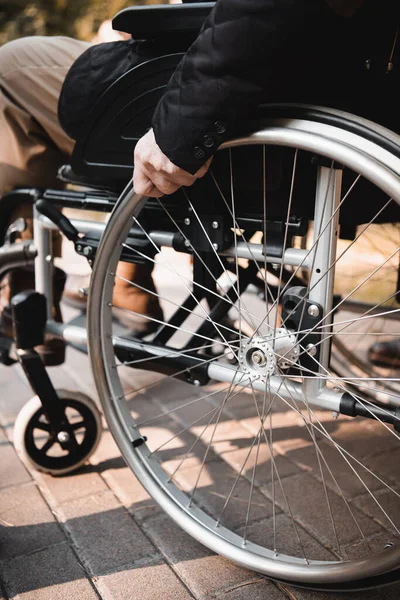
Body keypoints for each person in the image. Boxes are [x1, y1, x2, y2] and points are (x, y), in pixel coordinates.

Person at [132, 0, 400, 369]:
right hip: (361, 105)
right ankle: (127, 274)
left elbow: (260, 13)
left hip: (293, 132)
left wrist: (179, 128)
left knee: (23, 66)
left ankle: (115, 277)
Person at [0, 23, 162, 365]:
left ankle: (24, 298)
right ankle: (127, 285)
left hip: (189, 81)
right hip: (250, 85)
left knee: (9, 67)